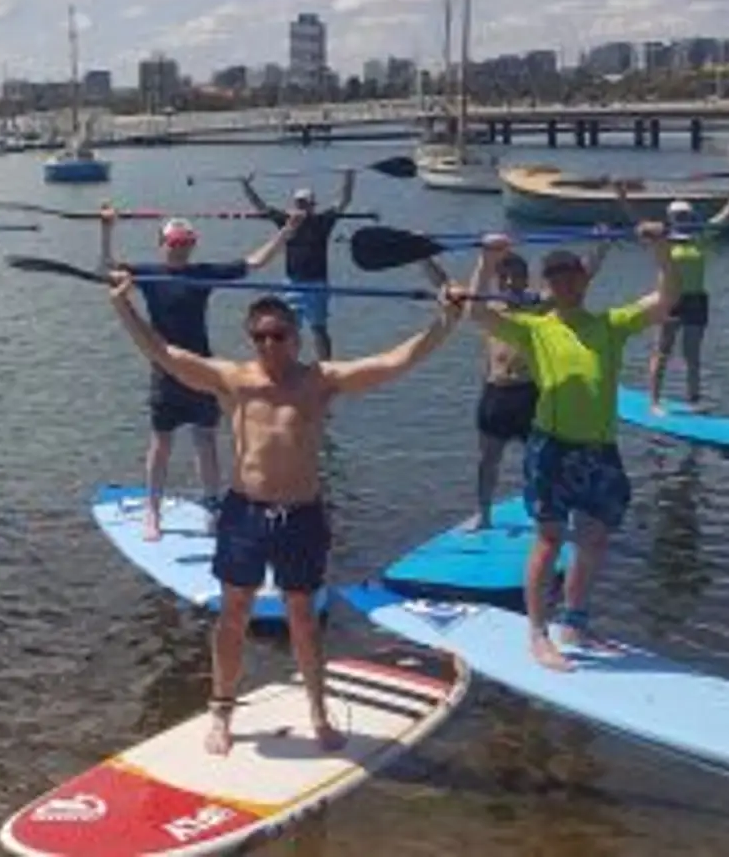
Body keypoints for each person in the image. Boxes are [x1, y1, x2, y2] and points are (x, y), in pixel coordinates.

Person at [106, 270, 464, 755]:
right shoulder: (233, 380)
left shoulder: (320, 381)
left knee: (303, 616)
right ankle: (222, 712)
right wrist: (124, 305)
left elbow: (393, 363)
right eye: (260, 337)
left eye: (279, 335)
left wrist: (445, 320)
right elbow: (164, 354)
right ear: (251, 339)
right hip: (245, 514)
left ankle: (318, 712)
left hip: (301, 514)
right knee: (232, 615)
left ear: (295, 336)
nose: (270, 345)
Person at [464, 223, 677, 671]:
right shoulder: (536, 329)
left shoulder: (610, 325)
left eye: (571, 275)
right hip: (552, 449)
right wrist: (487, 259)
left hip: (600, 449)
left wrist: (661, 252)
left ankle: (575, 622)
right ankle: (538, 635)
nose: (565, 283)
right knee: (548, 539)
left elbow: (664, 301)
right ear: (548, 286)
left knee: (595, 539)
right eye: (556, 278)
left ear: (584, 279)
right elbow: (476, 314)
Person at [100, 207, 296, 540]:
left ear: (193, 244)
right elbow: (106, 267)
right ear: (162, 243)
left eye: (186, 241)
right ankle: (152, 511)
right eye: (174, 241)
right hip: (165, 369)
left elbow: (253, 264)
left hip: (203, 371)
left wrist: (287, 232)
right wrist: (107, 229)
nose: (179, 247)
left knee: (206, 441)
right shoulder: (146, 274)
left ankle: (211, 507)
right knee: (161, 443)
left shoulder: (203, 273)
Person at [422, 233, 611, 530]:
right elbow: (445, 284)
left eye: (517, 278)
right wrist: (423, 254)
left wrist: (602, 245)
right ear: (497, 280)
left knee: (542, 461)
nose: (510, 284)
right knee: (487, 460)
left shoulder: (540, 306)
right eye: (505, 278)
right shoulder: (486, 307)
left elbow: (581, 278)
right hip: (496, 394)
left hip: (530, 395)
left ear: (527, 280)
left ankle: (550, 512)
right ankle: (484, 515)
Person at [643, 175, 729, 413]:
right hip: (671, 300)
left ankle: (694, 401)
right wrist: (621, 196)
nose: (683, 218)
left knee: (692, 356)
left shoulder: (701, 237)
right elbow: (639, 226)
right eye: (678, 216)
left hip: (696, 300)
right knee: (663, 352)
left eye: (686, 215)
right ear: (671, 218)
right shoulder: (664, 241)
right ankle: (653, 402)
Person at [238, 173, 354, 360]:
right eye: (298, 203)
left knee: (319, 328)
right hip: (292, 284)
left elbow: (344, 200)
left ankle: (325, 366)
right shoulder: (286, 222)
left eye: (305, 203)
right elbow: (261, 207)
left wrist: (349, 177)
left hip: (317, 284)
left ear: (312, 205)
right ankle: (288, 361)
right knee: (288, 328)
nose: (301, 207)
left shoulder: (322, 221)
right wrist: (245, 185)